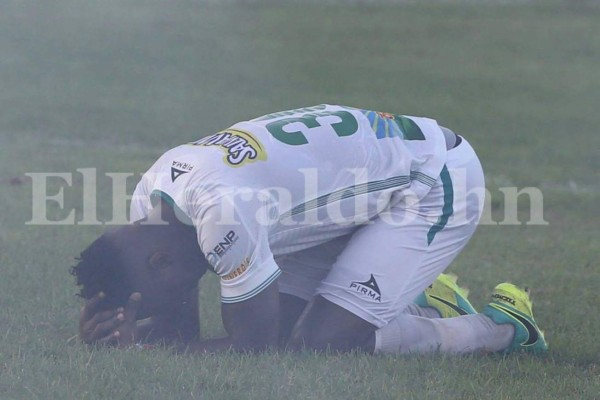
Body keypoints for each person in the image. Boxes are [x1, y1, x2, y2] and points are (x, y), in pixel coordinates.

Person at [72, 104, 547, 354]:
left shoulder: (220, 214)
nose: (174, 303)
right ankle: (423, 301)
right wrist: (116, 331)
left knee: (326, 341)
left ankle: (503, 329)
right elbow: (184, 330)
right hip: (352, 192)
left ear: (159, 262)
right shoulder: (150, 204)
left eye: (159, 296)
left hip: (432, 180)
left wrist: (147, 352)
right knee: (291, 334)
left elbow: (250, 347)